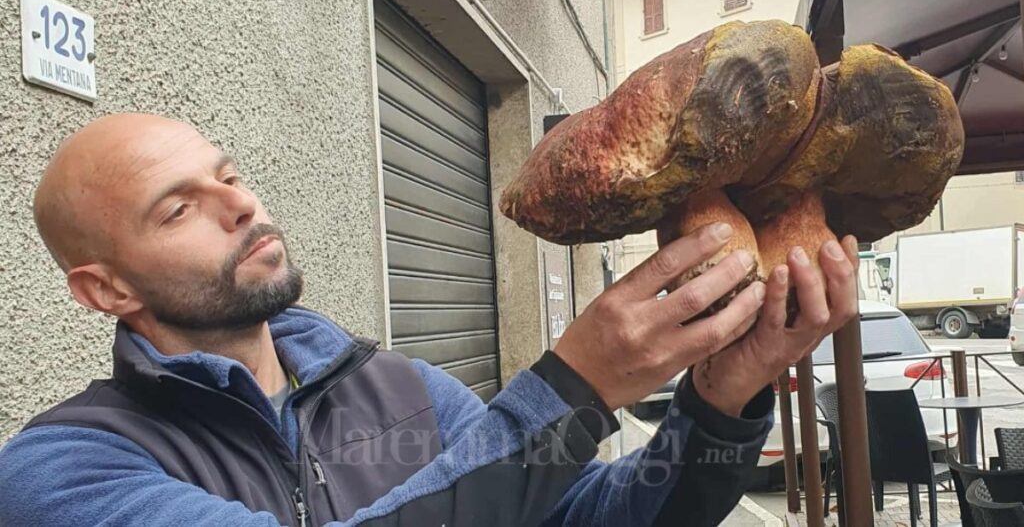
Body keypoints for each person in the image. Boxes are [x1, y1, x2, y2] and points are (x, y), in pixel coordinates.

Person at [0, 113, 859, 527]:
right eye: (178, 209)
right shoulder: (63, 470)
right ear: (106, 290)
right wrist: (576, 388)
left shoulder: (408, 394)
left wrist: (723, 392)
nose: (241, 204)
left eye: (228, 173)